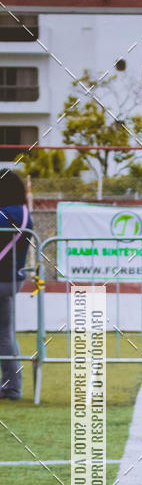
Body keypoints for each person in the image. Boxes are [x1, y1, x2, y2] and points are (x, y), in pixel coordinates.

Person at [0, 170, 32, 400]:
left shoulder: (11, 214)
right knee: (5, 335)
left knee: (4, 336)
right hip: (9, 281)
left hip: (4, 280)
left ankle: (12, 387)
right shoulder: (19, 211)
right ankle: (12, 387)